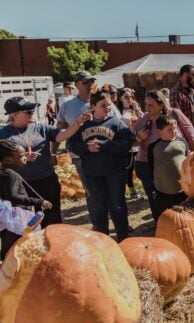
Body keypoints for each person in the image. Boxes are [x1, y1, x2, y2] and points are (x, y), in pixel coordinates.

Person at [0, 96, 83, 228]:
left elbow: (63, 134)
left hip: (46, 180)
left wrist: (78, 123)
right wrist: (21, 157)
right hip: (19, 185)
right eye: (28, 111)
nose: (32, 113)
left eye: (32, 110)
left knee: (51, 218)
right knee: (21, 222)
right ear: (14, 115)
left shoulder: (41, 128)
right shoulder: (3, 134)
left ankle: (53, 244)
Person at [57, 70, 121, 229]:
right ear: (76, 85)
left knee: (111, 190)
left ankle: (120, 223)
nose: (90, 84)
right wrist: (53, 150)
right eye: (86, 82)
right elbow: (60, 129)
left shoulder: (104, 101)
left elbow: (118, 124)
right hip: (81, 155)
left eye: (92, 81)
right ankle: (98, 224)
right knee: (91, 191)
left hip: (106, 153)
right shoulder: (67, 106)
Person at [67, 92, 132, 241]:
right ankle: (102, 238)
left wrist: (106, 145)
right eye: (103, 105)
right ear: (93, 107)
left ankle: (123, 236)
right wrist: (85, 148)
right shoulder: (84, 125)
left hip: (115, 172)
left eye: (109, 105)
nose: (107, 108)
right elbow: (72, 145)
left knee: (117, 204)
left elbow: (126, 144)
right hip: (92, 173)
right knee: (98, 205)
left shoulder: (117, 123)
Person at [133, 89, 194, 219]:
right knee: (156, 196)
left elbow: (189, 132)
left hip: (175, 162)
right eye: (146, 104)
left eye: (151, 105)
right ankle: (161, 223)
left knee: (180, 192)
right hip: (147, 163)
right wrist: (139, 138)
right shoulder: (144, 119)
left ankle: (184, 220)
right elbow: (133, 143)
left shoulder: (174, 114)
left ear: (161, 104)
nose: (147, 108)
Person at [0, 139, 53, 258]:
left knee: (12, 249)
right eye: (22, 156)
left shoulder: (5, 171)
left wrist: (24, 157)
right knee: (16, 250)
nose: (25, 158)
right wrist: (39, 202)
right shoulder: (10, 174)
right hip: (18, 218)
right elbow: (13, 197)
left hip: (10, 217)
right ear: (8, 160)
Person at [147, 115, 189, 220]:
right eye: (169, 130)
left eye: (175, 128)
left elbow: (188, 160)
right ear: (159, 130)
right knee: (165, 218)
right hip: (163, 190)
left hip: (182, 188)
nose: (174, 131)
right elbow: (151, 167)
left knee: (184, 216)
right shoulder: (153, 147)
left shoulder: (182, 142)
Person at [116, 88, 144, 200]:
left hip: (139, 143)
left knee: (138, 168)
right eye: (127, 97)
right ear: (120, 99)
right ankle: (131, 191)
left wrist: (137, 109)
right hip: (126, 145)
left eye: (131, 97)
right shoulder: (118, 113)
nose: (130, 99)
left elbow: (144, 120)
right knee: (128, 168)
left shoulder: (135, 111)